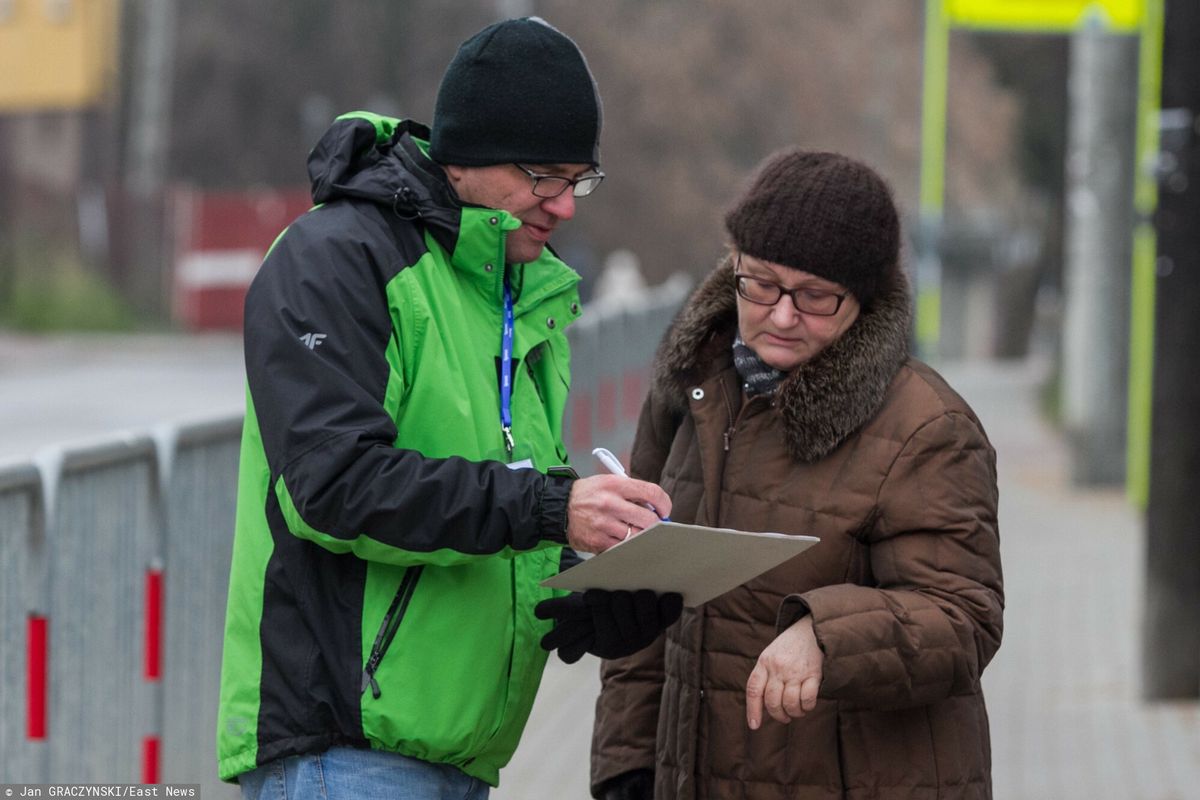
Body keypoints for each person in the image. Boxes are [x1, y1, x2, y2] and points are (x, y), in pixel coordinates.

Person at [216, 17, 679, 799]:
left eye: (579, 181)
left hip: (460, 761)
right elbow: (334, 488)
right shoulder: (334, 259)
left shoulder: (515, 290)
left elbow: (495, 506)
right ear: (467, 155)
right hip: (344, 754)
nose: (564, 207)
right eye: (545, 177)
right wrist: (550, 508)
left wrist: (595, 588)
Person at [589, 149, 1004, 799]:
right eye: (761, 284)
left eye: (814, 297)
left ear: (863, 301)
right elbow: (646, 595)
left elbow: (962, 620)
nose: (782, 316)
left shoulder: (928, 428)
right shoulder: (689, 389)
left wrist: (827, 635)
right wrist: (627, 769)